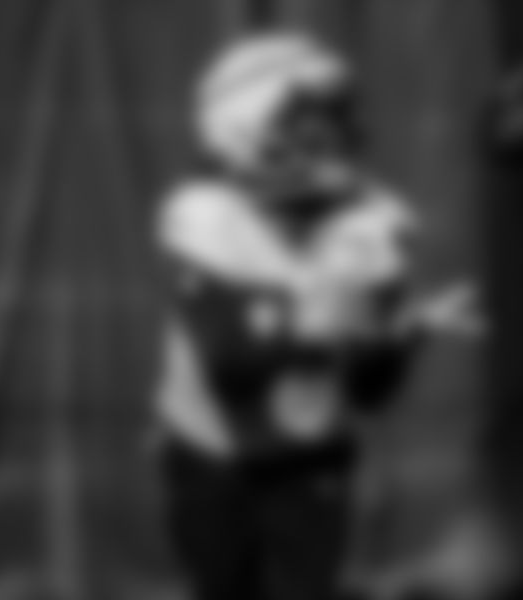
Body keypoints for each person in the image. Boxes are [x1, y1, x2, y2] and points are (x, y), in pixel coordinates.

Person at [151, 32, 479, 600]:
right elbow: (233, 364)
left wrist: (404, 336)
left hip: (310, 459)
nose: (334, 134)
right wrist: (334, 322)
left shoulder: (372, 224)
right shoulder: (206, 215)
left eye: (336, 115)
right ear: (244, 128)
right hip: (209, 455)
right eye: (308, 119)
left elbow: (370, 391)